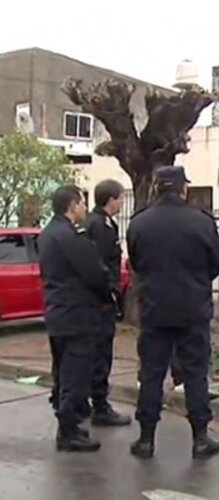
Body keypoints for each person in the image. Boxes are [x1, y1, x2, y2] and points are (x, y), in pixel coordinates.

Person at [127, 166, 219, 459]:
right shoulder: (202, 222)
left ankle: (145, 439)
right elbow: (213, 267)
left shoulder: (139, 223)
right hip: (193, 309)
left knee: (151, 374)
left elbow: (137, 263)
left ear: (156, 188)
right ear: (183, 189)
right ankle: (200, 437)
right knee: (195, 374)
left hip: (154, 309)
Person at [39, 185, 112, 452]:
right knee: (75, 375)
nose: (84, 208)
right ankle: (68, 431)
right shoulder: (70, 236)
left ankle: (69, 424)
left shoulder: (48, 233)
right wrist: (107, 296)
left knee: (62, 373)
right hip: (77, 316)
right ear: (72, 205)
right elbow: (94, 273)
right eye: (81, 203)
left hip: (58, 313)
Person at [82, 179, 131, 426]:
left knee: (96, 353)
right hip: (100, 303)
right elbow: (99, 265)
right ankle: (99, 406)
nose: (123, 202)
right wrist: (109, 294)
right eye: (121, 198)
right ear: (111, 199)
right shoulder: (100, 226)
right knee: (101, 353)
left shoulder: (98, 223)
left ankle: (90, 402)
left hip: (96, 301)